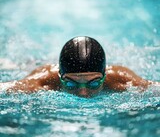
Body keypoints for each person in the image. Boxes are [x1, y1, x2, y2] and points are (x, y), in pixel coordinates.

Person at [0, 36, 159, 97]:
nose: (82, 92)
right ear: (59, 77)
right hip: (40, 68)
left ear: (104, 76)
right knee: (13, 66)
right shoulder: (42, 82)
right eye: (70, 84)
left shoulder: (121, 80)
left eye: (94, 83)